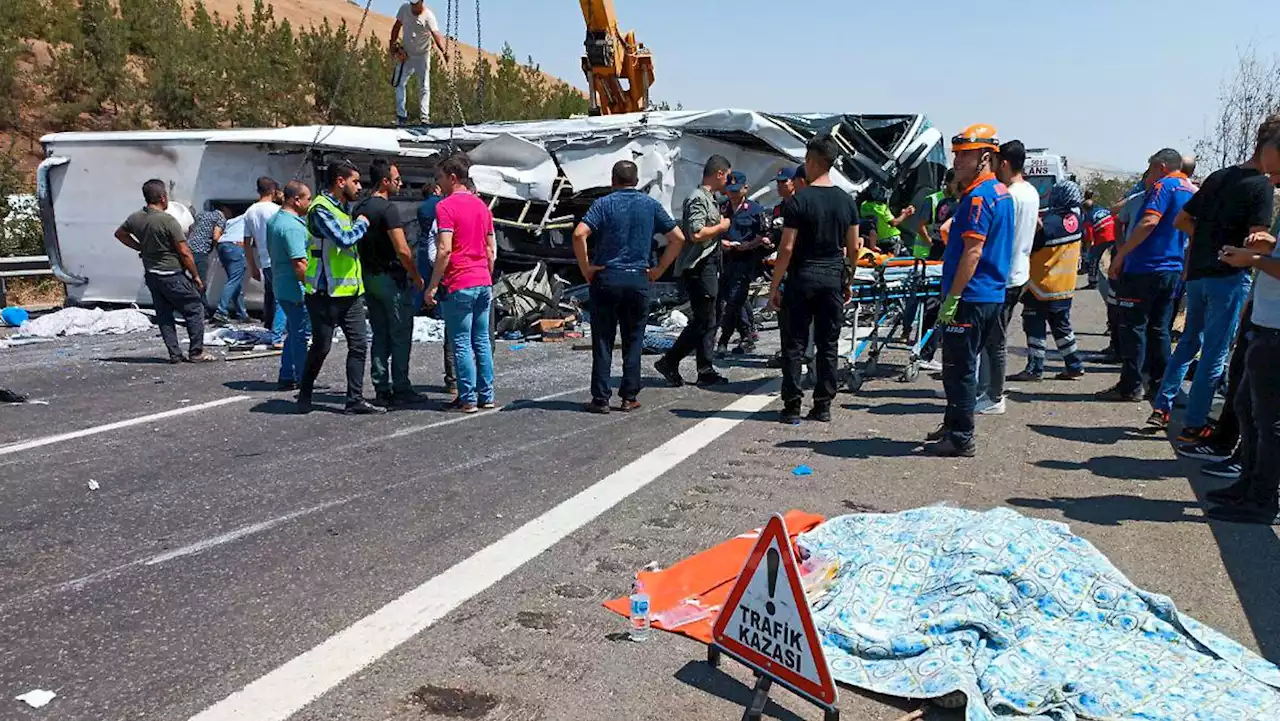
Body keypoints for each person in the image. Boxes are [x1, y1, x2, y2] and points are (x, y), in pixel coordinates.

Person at [1148, 121, 1277, 438]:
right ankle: (1194, 424)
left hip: (1198, 274)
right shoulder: (1260, 186)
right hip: (1228, 276)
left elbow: (1182, 220)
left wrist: (1208, 238)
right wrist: (1267, 244)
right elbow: (1255, 240)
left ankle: (1161, 407)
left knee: (1188, 343)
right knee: (1215, 353)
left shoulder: (1218, 177)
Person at [925, 124, 1015, 457]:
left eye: (965, 155)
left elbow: (973, 252)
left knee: (959, 369)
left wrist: (953, 297)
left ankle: (961, 436)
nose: (958, 162)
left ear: (986, 157)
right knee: (961, 366)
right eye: (957, 155)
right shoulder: (1000, 193)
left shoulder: (980, 197)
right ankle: (953, 424)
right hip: (989, 295)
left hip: (972, 296)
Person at [1206, 127, 1280, 525]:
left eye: (1276, 175)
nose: (1270, 182)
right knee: (1246, 408)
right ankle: (1248, 486)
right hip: (1265, 323)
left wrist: (1250, 260)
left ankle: (1264, 500)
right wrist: (1261, 248)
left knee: (1270, 422)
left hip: (1276, 332)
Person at [573, 160, 687, 413]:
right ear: (636, 181)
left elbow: (580, 234)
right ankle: (629, 396)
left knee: (603, 339)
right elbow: (678, 237)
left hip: (607, 277)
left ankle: (601, 399)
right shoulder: (650, 205)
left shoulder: (603, 204)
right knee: (633, 339)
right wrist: (658, 270)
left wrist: (586, 268)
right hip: (638, 278)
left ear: (613, 180)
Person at [766, 134, 861, 424]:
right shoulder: (847, 202)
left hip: (802, 277)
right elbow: (854, 247)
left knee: (794, 344)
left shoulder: (798, 202)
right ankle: (823, 406)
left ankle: (792, 406)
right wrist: (848, 279)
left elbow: (786, 248)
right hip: (832, 277)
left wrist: (774, 286)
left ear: (811, 161)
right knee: (828, 344)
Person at [1098, 149, 1196, 402]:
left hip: (1145, 268)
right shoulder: (1191, 189)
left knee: (1133, 327)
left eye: (1150, 170)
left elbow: (1149, 221)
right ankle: (1160, 385)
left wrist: (1121, 255)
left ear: (1161, 167)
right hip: (1172, 270)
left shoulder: (1164, 186)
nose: (1148, 177)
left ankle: (1131, 386)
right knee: (1160, 328)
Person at [298, 160, 384, 416]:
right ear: (340, 181)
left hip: (350, 294)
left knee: (359, 345)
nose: (359, 187)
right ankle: (305, 392)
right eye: (355, 181)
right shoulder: (321, 210)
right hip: (324, 295)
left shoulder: (343, 208)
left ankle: (354, 399)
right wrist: (364, 223)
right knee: (321, 347)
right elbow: (345, 240)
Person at [425, 155, 498, 414]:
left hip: (460, 281)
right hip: (483, 281)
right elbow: (490, 250)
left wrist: (432, 285)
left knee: (461, 341)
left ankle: (467, 397)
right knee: (482, 340)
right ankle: (486, 395)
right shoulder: (483, 207)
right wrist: (486, 274)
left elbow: (444, 249)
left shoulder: (445, 207)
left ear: (452, 178)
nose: (439, 184)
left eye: (440, 178)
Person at [655, 155, 733, 388]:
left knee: (710, 319)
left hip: (710, 265)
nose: (728, 181)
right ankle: (670, 361)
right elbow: (696, 233)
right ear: (719, 173)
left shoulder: (711, 198)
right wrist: (721, 227)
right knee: (703, 321)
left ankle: (705, 368)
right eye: (727, 176)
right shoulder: (697, 198)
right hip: (699, 267)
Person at [114, 179, 212, 363]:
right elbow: (184, 252)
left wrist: (140, 247)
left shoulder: (135, 218)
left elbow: (120, 234)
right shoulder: (168, 221)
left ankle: (174, 354)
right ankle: (196, 352)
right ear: (162, 198)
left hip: (152, 274)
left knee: (164, 314)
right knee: (194, 309)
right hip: (172, 273)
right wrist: (196, 276)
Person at [356, 159, 427, 407]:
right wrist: (417, 277)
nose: (401, 183)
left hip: (369, 277)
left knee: (380, 333)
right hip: (391, 278)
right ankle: (401, 387)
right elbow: (402, 250)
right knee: (399, 333)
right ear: (385, 181)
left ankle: (381, 386)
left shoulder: (361, 207)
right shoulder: (388, 210)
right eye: (397, 179)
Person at [975, 139, 1038, 416]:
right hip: (1019, 270)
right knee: (990, 337)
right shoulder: (1031, 192)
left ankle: (993, 395)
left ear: (1003, 163)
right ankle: (982, 388)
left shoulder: (1009, 196)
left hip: (1005, 275)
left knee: (994, 340)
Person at [1008, 180, 1086, 382]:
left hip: (1041, 284)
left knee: (1034, 325)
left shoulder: (1050, 223)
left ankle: (1035, 368)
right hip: (1064, 285)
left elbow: (1030, 244)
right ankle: (1074, 365)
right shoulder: (1076, 220)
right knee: (1062, 327)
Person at [266, 181, 314, 391]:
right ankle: (304, 378)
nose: (310, 204)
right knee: (301, 335)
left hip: (282, 285)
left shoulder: (275, 220)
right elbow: (300, 264)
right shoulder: (292, 226)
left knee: (294, 332)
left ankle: (287, 375)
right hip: (296, 289)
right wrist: (313, 289)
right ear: (296, 200)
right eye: (308, 199)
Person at [716, 171, 770, 356]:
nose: (732, 194)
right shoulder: (722, 208)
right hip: (726, 259)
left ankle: (726, 338)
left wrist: (750, 244)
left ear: (745, 188)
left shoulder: (755, 210)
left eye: (736, 190)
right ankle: (748, 332)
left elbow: (764, 234)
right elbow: (715, 232)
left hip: (746, 260)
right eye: (730, 190)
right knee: (730, 296)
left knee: (734, 298)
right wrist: (722, 243)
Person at [416, 174, 456, 394]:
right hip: (461, 271)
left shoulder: (423, 208)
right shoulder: (443, 207)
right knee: (475, 337)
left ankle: (453, 381)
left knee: (428, 285)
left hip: (428, 252)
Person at [389, 0, 448, 126]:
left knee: (424, 86)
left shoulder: (428, 17)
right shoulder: (404, 9)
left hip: (422, 55)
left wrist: (444, 50)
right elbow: (396, 26)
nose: (413, 7)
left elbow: (436, 34)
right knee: (399, 83)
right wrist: (393, 46)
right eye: (412, 4)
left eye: (416, 4)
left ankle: (424, 117)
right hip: (407, 54)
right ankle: (401, 116)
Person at [242, 177, 284, 348]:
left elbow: (246, 242)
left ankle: (270, 327)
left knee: (271, 295)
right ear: (273, 191)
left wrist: (252, 266)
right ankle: (277, 336)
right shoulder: (277, 210)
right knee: (283, 298)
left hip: (264, 260)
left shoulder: (249, 212)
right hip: (280, 259)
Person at [213, 206, 250, 324]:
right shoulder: (252, 218)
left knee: (235, 281)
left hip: (222, 246)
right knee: (234, 281)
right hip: (235, 247)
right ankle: (221, 311)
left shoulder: (232, 221)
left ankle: (242, 314)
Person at [187, 205, 226, 312]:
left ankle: (200, 307)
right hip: (200, 252)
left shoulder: (201, 215)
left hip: (187, 249)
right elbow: (216, 237)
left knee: (191, 280)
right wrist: (214, 248)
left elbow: (191, 228)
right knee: (200, 282)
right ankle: (202, 309)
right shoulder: (220, 217)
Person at [859, 185, 913, 257]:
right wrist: (906, 214)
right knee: (906, 259)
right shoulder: (881, 207)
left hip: (879, 241)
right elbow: (894, 223)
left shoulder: (864, 205)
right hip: (891, 240)